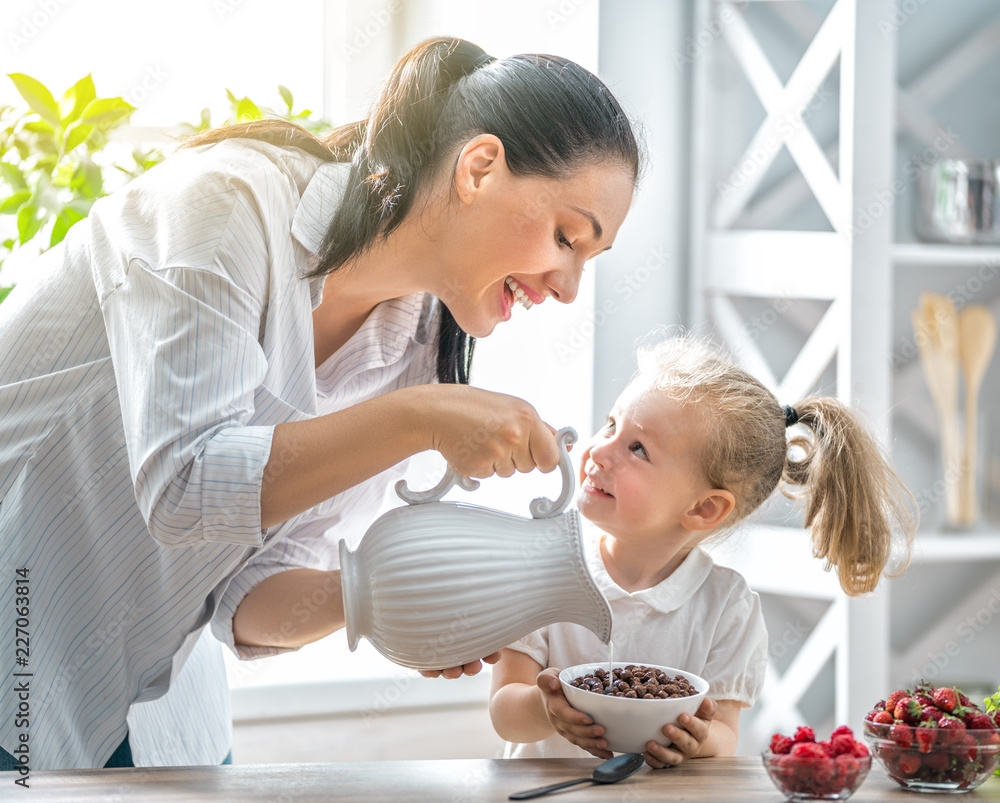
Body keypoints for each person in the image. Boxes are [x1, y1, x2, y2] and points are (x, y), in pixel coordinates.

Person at [0, 36, 640, 770]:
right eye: (567, 237)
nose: (567, 288)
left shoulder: (415, 347)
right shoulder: (224, 207)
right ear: (480, 166)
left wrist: (382, 597)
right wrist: (421, 419)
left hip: (153, 718)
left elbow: (244, 599)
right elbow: (182, 487)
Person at [489, 333, 915, 766]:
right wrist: (546, 709)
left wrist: (698, 740)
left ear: (705, 508)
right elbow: (505, 712)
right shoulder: (546, 571)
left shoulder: (728, 608)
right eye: (611, 424)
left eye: (638, 449)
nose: (599, 450)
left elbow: (724, 735)